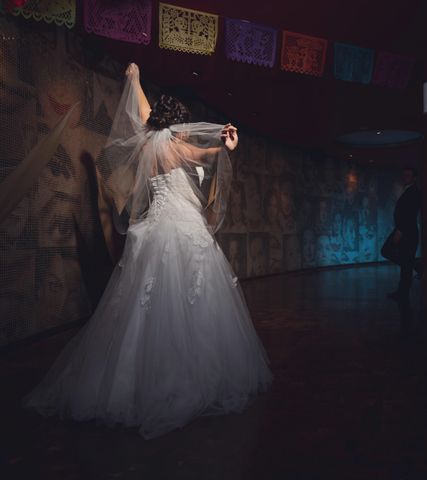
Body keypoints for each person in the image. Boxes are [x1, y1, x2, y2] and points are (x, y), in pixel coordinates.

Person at [23, 63, 272, 439]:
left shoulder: (145, 141)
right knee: (192, 304)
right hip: (182, 229)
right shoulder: (177, 145)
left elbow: (141, 111)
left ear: (155, 119)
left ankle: (131, 382)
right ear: (178, 124)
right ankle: (182, 379)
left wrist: (134, 79)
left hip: (152, 229)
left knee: (142, 307)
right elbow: (211, 154)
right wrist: (227, 142)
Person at [381, 166, 421, 301]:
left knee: (389, 252)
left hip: (405, 231)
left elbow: (409, 213)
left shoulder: (414, 192)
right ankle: (414, 266)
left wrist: (400, 230)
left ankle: (402, 293)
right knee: (400, 259)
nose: (405, 178)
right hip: (404, 230)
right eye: (404, 175)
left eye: (408, 175)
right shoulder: (408, 190)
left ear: (414, 178)